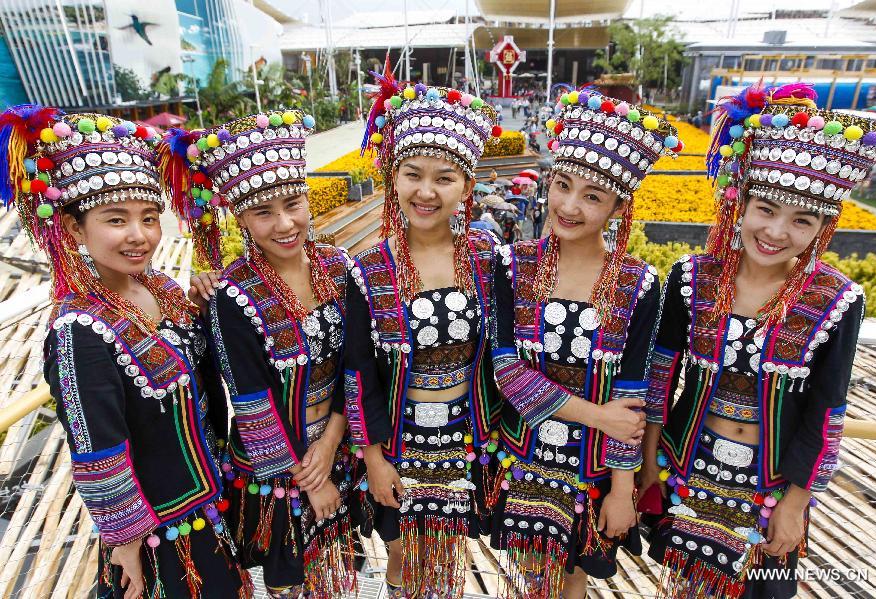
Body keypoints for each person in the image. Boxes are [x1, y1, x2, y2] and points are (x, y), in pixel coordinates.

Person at [640, 82, 876, 598]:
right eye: (766, 209)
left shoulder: (836, 299)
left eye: (801, 220)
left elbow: (828, 412)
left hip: (775, 485)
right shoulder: (692, 278)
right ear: (741, 204)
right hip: (689, 467)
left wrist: (796, 505)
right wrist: (649, 466)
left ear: (824, 227)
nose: (776, 231)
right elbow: (658, 383)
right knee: (687, 589)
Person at [0, 106, 253, 598]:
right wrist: (125, 545)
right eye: (116, 220)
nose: (139, 236)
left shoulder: (158, 285)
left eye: (149, 218)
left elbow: (203, 374)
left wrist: (208, 305)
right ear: (74, 229)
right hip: (156, 533)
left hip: (207, 505)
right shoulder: (79, 328)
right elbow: (97, 444)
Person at [489, 90, 680, 598]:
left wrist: (622, 490)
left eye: (592, 196)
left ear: (620, 206)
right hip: (524, 457)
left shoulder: (638, 283)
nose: (569, 206)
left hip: (594, 468)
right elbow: (505, 369)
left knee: (574, 578)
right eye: (563, 186)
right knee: (532, 578)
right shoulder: (514, 265)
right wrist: (598, 415)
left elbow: (633, 392)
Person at [159, 110, 356, 598]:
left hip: (335, 448)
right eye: (263, 212)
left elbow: (356, 363)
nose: (285, 224)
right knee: (289, 582)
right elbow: (251, 404)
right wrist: (310, 479)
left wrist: (330, 447)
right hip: (280, 472)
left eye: (293, 203)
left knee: (334, 574)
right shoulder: (232, 293)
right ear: (241, 218)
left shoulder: (338, 264)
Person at [347, 78, 503, 599]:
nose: (427, 192)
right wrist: (373, 457)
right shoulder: (369, 268)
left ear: (467, 185)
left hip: (467, 438)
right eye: (412, 175)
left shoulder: (487, 255)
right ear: (394, 180)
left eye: (445, 178)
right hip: (399, 441)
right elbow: (357, 372)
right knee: (401, 555)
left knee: (448, 557)